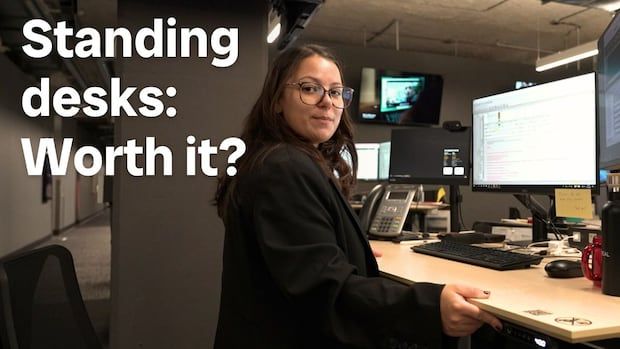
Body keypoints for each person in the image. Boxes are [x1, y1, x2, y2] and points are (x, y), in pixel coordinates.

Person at [213, 44, 501, 349]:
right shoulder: (284, 168)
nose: (327, 102)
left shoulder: (281, 160)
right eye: (310, 88)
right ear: (277, 102)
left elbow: (301, 261)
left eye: (336, 92)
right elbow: (324, 291)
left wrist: (347, 250)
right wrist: (431, 307)